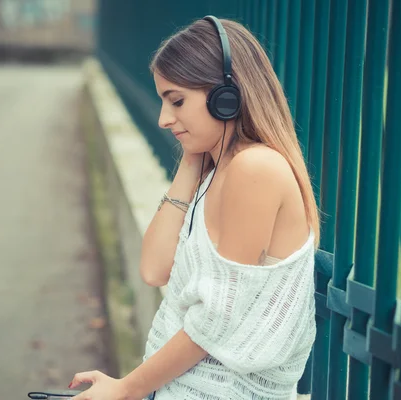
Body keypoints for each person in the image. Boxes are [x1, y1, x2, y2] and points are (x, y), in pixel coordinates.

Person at [69, 16, 319, 400]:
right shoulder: (216, 169)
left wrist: (125, 390)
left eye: (178, 101)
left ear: (227, 97)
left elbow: (214, 323)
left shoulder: (255, 169)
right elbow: (154, 269)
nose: (164, 119)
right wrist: (191, 157)